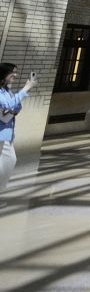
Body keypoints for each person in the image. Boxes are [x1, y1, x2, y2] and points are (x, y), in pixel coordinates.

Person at [0, 63, 37, 195]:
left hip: (7, 133)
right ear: (4, 74)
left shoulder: (8, 91)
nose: (15, 75)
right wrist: (26, 87)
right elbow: (7, 104)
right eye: (12, 72)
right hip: (1, 133)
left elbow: (16, 107)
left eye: (16, 72)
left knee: (10, 160)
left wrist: (14, 107)